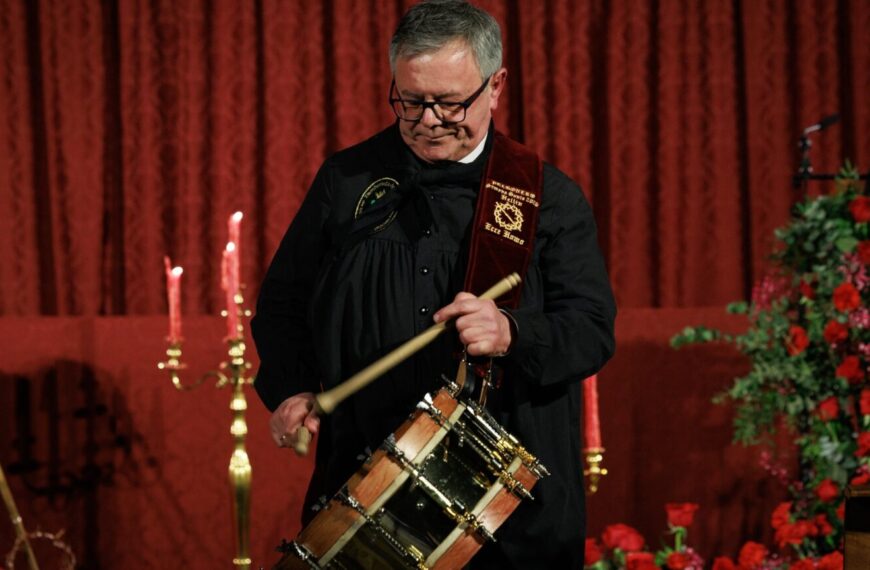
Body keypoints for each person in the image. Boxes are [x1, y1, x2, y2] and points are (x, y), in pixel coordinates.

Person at [251, 1, 616, 567]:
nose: (427, 120)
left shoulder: (544, 196)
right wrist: (293, 388)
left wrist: (512, 332)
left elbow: (592, 330)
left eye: (449, 103)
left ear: (495, 87)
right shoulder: (347, 181)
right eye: (411, 100)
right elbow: (282, 305)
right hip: (366, 487)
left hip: (504, 514)